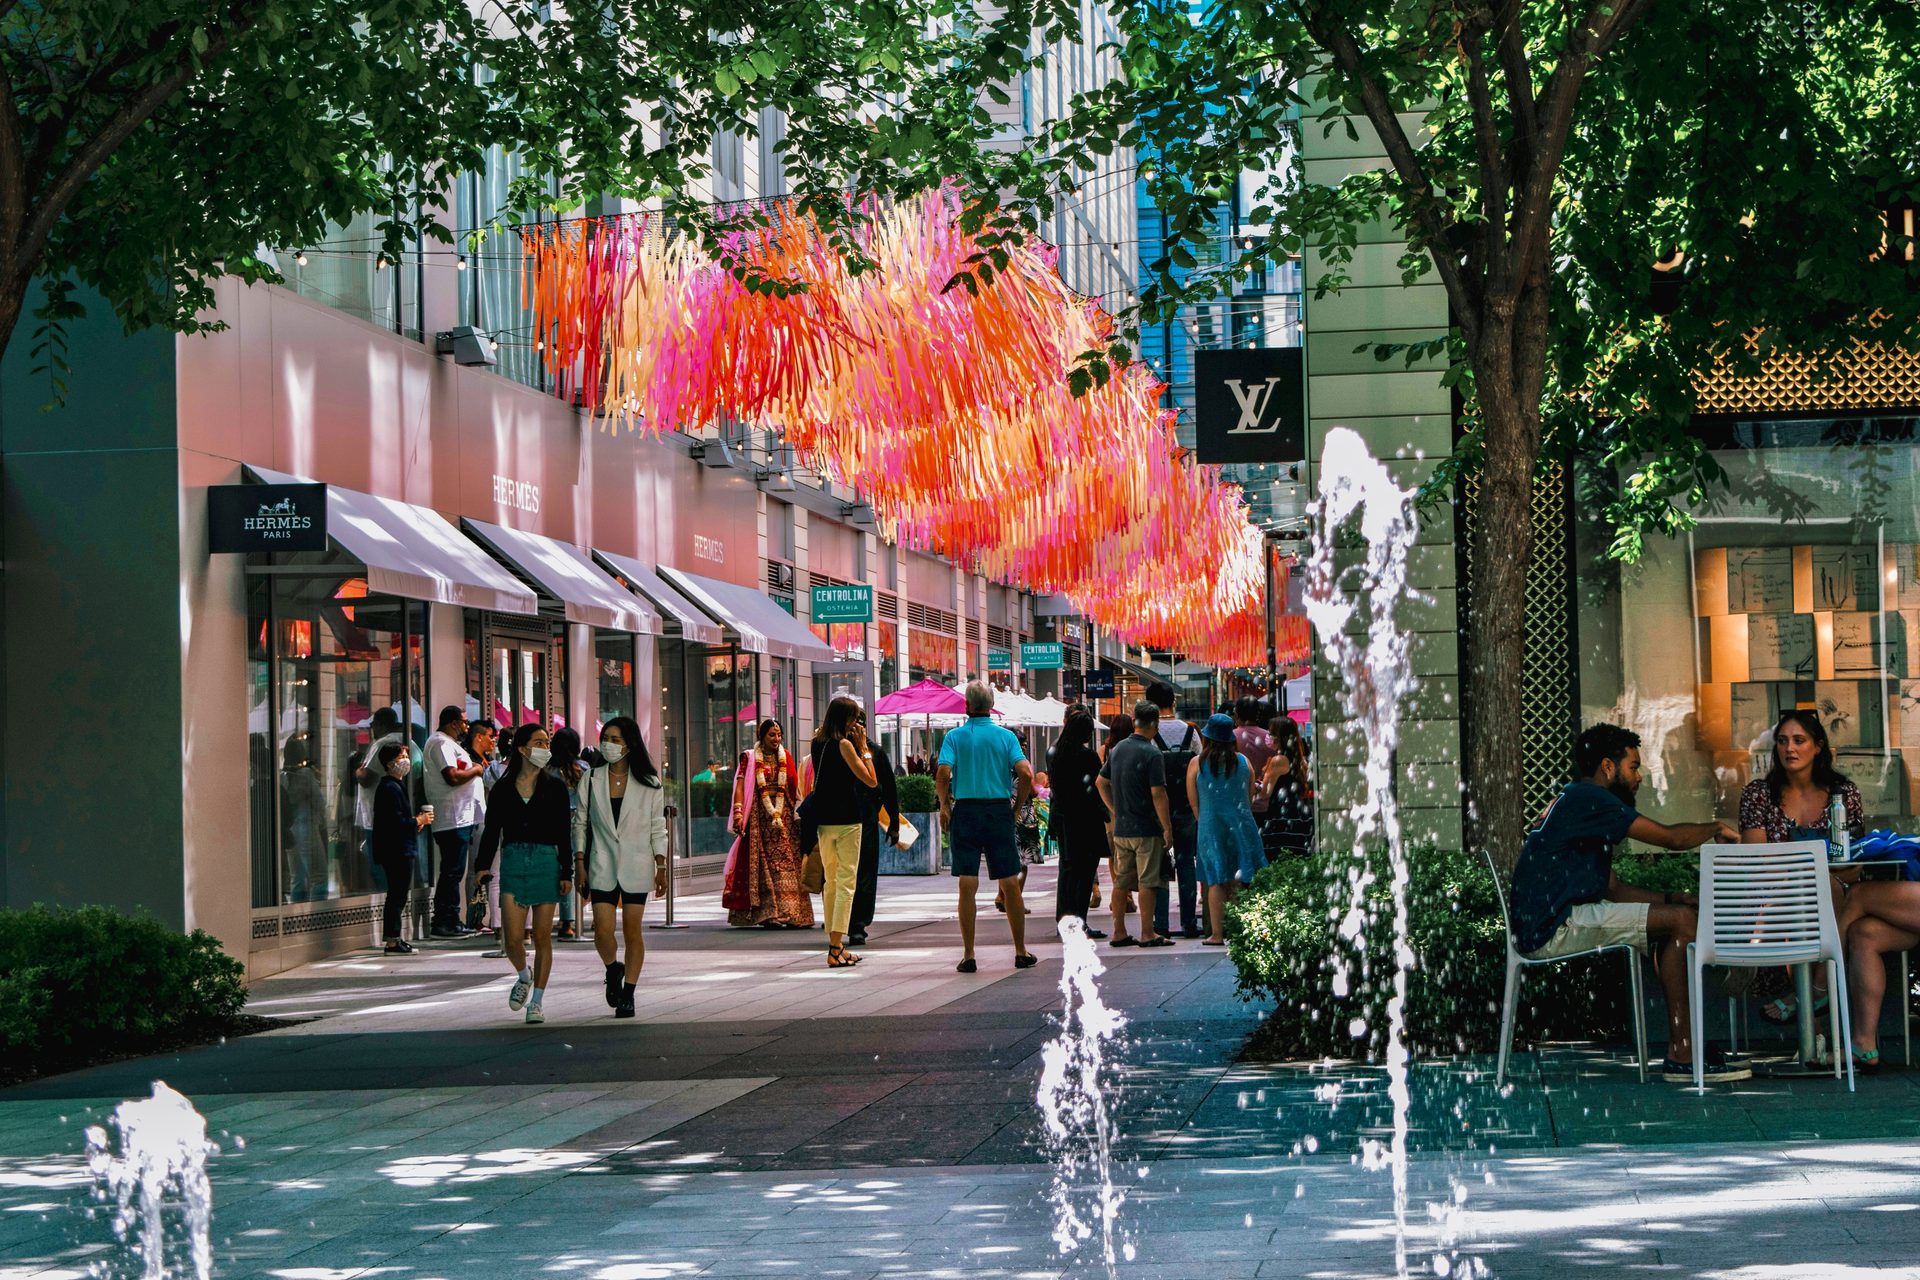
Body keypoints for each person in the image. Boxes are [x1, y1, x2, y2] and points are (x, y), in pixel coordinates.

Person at [1508, 723, 1746, 1083]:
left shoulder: (1576, 799)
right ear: (1608, 767)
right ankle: (1683, 1053)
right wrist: (1715, 828)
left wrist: (1671, 898)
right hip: (1554, 926)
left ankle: (1685, 1043)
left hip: (1555, 919)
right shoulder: (1592, 799)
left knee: (1676, 918)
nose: (1640, 777)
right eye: (1633, 766)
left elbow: (1614, 889)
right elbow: (1671, 839)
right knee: (1682, 922)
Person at [1736, 708, 1866, 1025]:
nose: (1789, 749)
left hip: (1826, 898)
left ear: (1818, 746)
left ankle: (1812, 1003)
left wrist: (1808, 876)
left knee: (1830, 893)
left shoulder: (1843, 794)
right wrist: (1811, 874)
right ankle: (1818, 1015)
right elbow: (1757, 862)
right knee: (1822, 896)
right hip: (1770, 902)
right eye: (1782, 741)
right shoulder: (1758, 794)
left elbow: (1854, 864)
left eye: (1798, 740)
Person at [474, 724, 575, 1024]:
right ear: (521, 748)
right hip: (514, 861)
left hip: (546, 861)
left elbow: (563, 833)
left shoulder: (555, 787)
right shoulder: (503, 789)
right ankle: (523, 974)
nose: (545, 748)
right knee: (513, 939)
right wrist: (481, 866)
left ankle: (538, 1001)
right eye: (539, 742)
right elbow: (492, 830)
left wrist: (566, 870)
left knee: (543, 936)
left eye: (547, 742)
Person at [938, 683, 1037, 973]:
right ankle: (1020, 950)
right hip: (997, 811)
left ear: (966, 706)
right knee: (1009, 882)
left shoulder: (954, 737)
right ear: (991, 705)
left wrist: (945, 806)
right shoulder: (1006, 737)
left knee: (967, 883)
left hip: (966, 811)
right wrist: (1017, 808)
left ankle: (969, 954)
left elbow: (943, 773)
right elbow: (1026, 773)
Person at [575, 716, 668, 1019]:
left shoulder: (649, 783)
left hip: (637, 863)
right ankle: (612, 967)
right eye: (606, 738)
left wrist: (661, 863)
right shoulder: (591, 779)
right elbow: (580, 822)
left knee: (632, 931)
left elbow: (658, 827)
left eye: (615, 739)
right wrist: (579, 861)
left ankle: (628, 993)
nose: (609, 744)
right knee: (602, 931)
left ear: (629, 744)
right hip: (601, 862)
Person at [1097, 699, 1176, 949]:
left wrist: (1115, 810)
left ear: (1134, 721)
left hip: (1122, 829)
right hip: (1147, 829)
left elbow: (1101, 782)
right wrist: (1167, 827)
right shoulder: (1152, 753)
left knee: (1121, 882)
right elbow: (1158, 793)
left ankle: (1118, 932)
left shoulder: (1118, 748)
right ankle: (1147, 932)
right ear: (1155, 724)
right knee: (1148, 881)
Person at [726, 719, 814, 929]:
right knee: (763, 867)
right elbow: (740, 785)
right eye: (771, 735)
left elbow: (795, 787)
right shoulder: (749, 758)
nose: (776, 739)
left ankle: (793, 914)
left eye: (779, 735)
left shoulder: (787, 757)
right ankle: (768, 914)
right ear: (761, 736)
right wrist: (739, 813)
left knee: (787, 864)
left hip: (783, 818)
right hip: (759, 818)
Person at [1188, 713, 1267, 945]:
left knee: (1215, 880)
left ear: (1208, 738)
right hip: (1242, 824)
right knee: (1239, 877)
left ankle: (1216, 934)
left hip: (1210, 825)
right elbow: (1250, 795)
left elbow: (1193, 801)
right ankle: (1239, 929)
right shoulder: (1243, 761)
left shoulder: (1197, 763)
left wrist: (1205, 821)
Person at [812, 697, 879, 968]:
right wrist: (864, 748)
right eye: (853, 718)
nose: (856, 723)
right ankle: (835, 946)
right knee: (846, 883)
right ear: (845, 719)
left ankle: (835, 943)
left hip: (823, 820)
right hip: (848, 820)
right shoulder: (845, 745)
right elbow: (871, 780)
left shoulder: (817, 743)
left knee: (831, 882)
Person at [423, 705, 487, 938]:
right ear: (452, 723)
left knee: (455, 871)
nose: (466, 726)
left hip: (461, 817)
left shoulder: (448, 743)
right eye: (463, 722)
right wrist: (477, 770)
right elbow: (452, 776)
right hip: (452, 817)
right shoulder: (440, 743)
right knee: (452, 872)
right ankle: (445, 921)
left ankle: (452, 919)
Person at [1145, 681, 1201, 938]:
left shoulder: (1149, 734)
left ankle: (1162, 924)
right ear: (1173, 703)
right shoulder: (1190, 733)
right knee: (1186, 864)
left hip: (1158, 810)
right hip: (1188, 807)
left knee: (1160, 866)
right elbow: (1200, 768)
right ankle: (1189, 921)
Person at [1048, 706, 1108, 939]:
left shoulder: (1056, 754)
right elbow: (1097, 787)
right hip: (1086, 820)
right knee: (1084, 873)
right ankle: (1079, 921)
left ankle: (1064, 920)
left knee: (1068, 870)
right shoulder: (1088, 756)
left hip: (1064, 818)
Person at [370, 741, 430, 955]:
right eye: (401, 757)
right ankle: (392, 940)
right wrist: (417, 820)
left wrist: (416, 823)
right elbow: (394, 823)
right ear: (388, 763)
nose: (405, 761)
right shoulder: (389, 787)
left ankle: (394, 938)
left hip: (399, 847)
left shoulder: (395, 786)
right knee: (397, 895)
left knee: (398, 895)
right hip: (396, 850)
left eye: (406, 756)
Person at [848, 741, 899, 947]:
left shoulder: (873, 751)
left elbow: (887, 787)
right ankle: (848, 923)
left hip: (865, 819)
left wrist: (894, 823)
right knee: (847, 875)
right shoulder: (835, 746)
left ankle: (857, 924)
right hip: (841, 820)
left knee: (864, 873)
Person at [548, 726, 587, 940]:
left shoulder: (547, 769)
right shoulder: (583, 768)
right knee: (570, 869)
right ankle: (568, 921)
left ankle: (548, 918)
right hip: (577, 823)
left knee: (555, 868)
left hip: (551, 823)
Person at [279, 736, 329, 903]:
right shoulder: (306, 775)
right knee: (319, 876)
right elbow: (319, 802)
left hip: (291, 830)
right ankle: (318, 915)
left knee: (297, 877)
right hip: (307, 826)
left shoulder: (282, 776)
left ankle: (296, 915)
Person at [1260, 716, 1314, 858]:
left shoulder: (1278, 760)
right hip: (1300, 813)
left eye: (1271, 733)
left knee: (1280, 858)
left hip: (1282, 816)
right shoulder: (1299, 757)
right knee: (1297, 858)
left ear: (1280, 737)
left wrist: (1255, 785)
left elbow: (1265, 792)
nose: (1268, 737)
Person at [1233, 698, 1277, 817]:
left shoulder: (1231, 738)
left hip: (1238, 803)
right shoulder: (1270, 739)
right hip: (1265, 802)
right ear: (1258, 714)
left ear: (1236, 714)